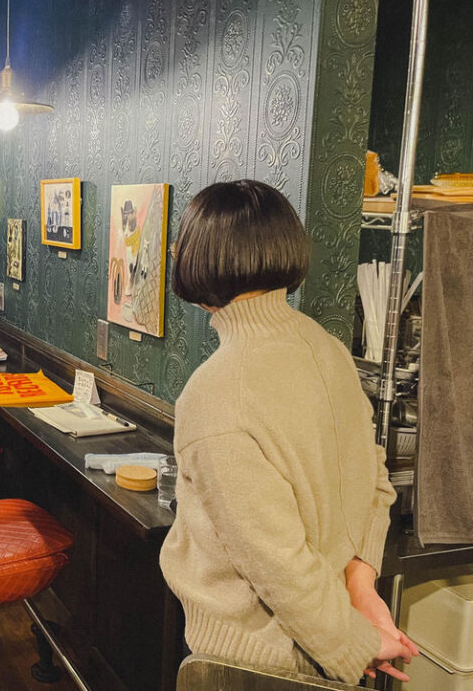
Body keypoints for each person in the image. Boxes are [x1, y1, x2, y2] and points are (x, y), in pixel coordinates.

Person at [158, 180, 418, 684]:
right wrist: (360, 587)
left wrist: (355, 640)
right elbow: (373, 479)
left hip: (250, 662)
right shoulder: (329, 350)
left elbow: (275, 560)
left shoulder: (215, 393)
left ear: (197, 262)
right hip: (323, 634)